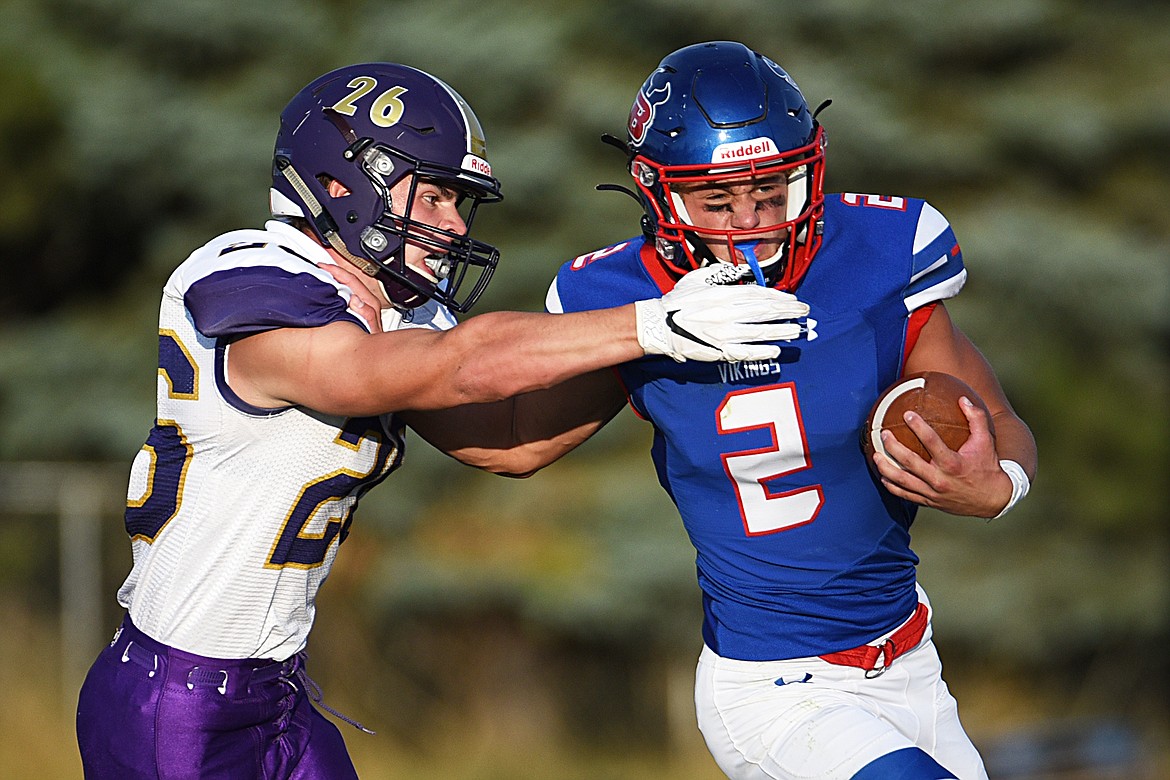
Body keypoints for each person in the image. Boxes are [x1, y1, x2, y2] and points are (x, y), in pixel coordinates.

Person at [73, 61, 811, 780]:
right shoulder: (250, 274)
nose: (454, 224)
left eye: (461, 202)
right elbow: (434, 366)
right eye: (434, 197)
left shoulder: (395, 308)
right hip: (173, 701)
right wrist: (651, 322)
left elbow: (511, 441)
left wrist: (657, 337)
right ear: (343, 183)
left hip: (276, 695)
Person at [464, 41, 1036, 780]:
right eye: (718, 200)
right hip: (779, 690)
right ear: (658, 193)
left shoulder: (878, 255)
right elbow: (514, 443)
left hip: (911, 662)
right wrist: (382, 373)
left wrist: (1002, 485)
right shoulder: (623, 296)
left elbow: (995, 417)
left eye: (773, 192)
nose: (751, 222)